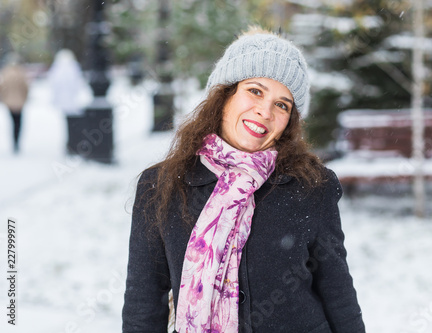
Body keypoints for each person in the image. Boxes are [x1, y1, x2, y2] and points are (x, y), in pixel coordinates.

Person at [123, 26, 365, 333]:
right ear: (224, 96)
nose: (265, 111)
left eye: (282, 105)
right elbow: (143, 304)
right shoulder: (160, 185)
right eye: (255, 91)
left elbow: (337, 290)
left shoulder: (312, 186)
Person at [46, 49, 89, 154]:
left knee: (68, 122)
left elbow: (53, 84)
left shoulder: (57, 67)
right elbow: (78, 83)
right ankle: (74, 143)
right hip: (73, 101)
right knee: (74, 123)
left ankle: (71, 144)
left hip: (64, 101)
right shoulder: (73, 66)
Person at [0, 55, 29, 153]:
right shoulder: (21, 73)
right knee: (18, 123)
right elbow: (25, 88)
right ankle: (17, 141)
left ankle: (14, 140)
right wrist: (24, 98)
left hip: (9, 103)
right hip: (20, 103)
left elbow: (2, 88)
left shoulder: (6, 73)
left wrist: (4, 98)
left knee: (12, 122)